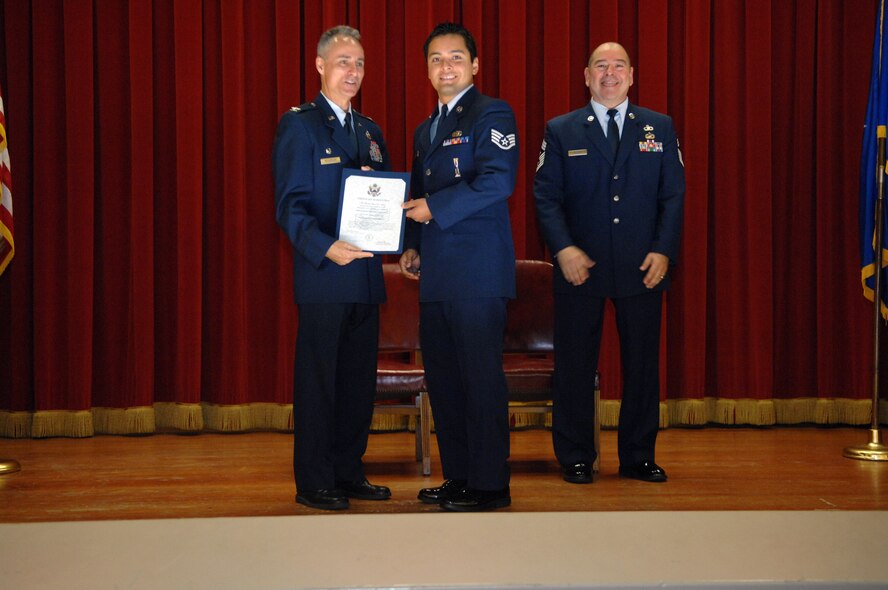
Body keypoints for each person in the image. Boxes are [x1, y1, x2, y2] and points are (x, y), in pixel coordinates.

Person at [533, 42, 685, 484]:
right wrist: (563, 249)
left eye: (619, 66)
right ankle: (577, 456)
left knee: (642, 367)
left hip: (644, 265)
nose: (610, 73)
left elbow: (673, 195)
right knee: (575, 367)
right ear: (586, 75)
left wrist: (664, 249)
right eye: (601, 66)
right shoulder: (562, 130)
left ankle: (638, 456)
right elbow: (545, 197)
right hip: (580, 267)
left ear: (632, 75)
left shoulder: (660, 126)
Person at [399, 22, 519, 512]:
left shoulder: (492, 113)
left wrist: (434, 211)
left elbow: (498, 181)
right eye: (435, 59)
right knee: (446, 382)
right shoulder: (426, 128)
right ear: (427, 70)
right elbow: (418, 193)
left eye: (454, 58)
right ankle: (460, 477)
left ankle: (490, 485)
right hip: (438, 275)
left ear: (473, 65)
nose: (444, 67)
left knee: (480, 379)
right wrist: (412, 244)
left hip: (477, 274)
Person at [272, 25, 391, 510]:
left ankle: (349, 470)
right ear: (320, 65)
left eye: (359, 63)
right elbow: (290, 207)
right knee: (320, 383)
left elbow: (383, 201)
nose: (353, 71)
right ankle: (315, 481)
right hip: (324, 276)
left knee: (358, 384)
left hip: (365, 278)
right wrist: (325, 248)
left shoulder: (370, 131)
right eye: (344, 61)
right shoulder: (299, 125)